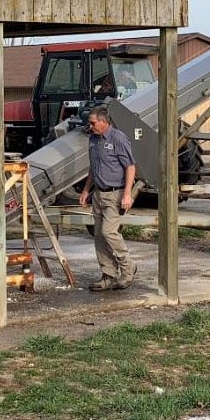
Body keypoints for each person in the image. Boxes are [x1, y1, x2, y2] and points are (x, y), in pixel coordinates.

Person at [78, 106, 137, 291]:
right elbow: (93, 168)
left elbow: (130, 167)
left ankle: (128, 268)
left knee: (108, 232)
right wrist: (86, 190)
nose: (90, 126)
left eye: (93, 123)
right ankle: (108, 275)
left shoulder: (118, 138)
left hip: (115, 193)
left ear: (104, 122)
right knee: (99, 236)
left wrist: (127, 194)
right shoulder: (93, 140)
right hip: (98, 194)